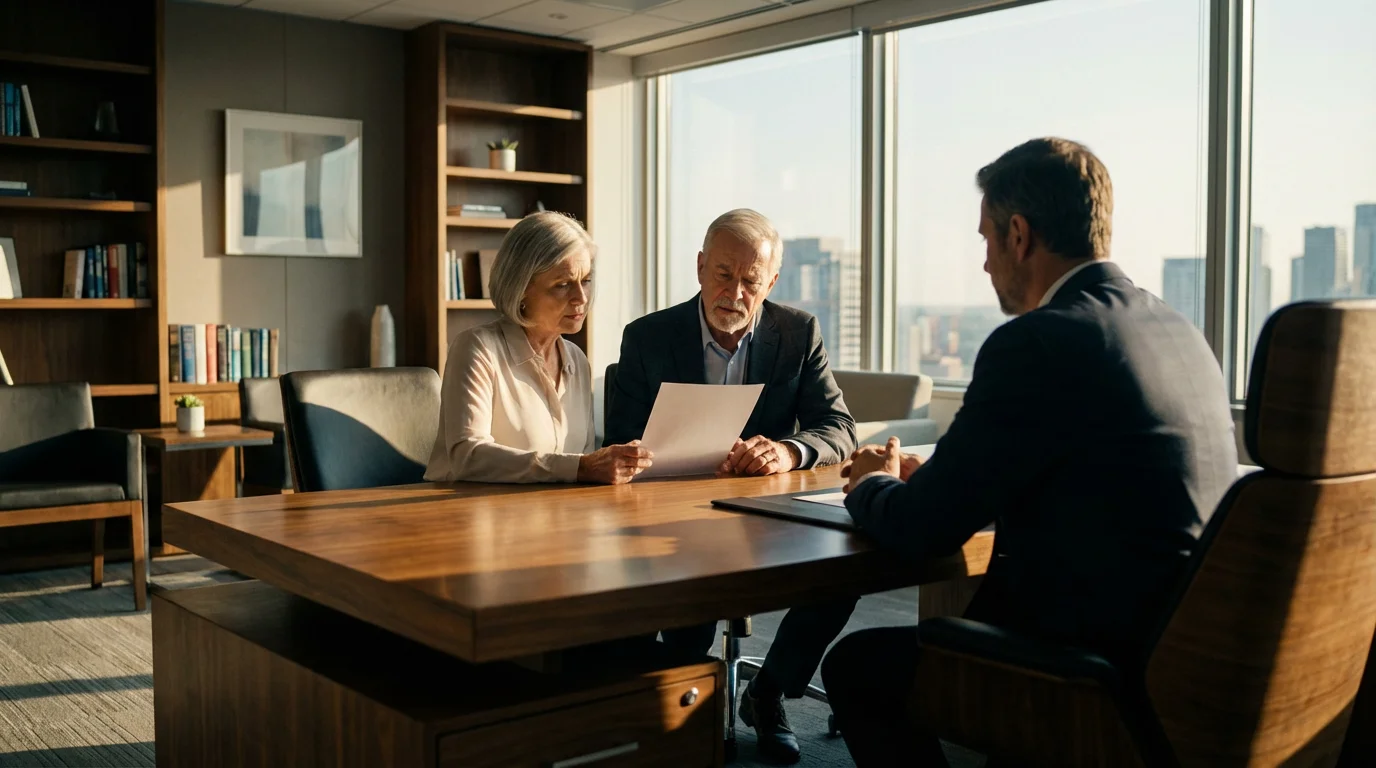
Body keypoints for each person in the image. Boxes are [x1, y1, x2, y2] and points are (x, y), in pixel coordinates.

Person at [820, 137, 1238, 766]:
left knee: (855, 665)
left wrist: (870, 483)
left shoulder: (1040, 341)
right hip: (1184, 656)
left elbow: (923, 529)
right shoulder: (1175, 330)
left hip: (1088, 673)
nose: (985, 264)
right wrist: (939, 474)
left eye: (986, 239)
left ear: (1019, 234)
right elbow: (1083, 470)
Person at [605, 208, 858, 764]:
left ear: (771, 281)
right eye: (723, 274)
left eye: (751, 280)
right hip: (674, 512)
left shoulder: (797, 333)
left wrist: (787, 450)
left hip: (766, 511)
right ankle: (681, 706)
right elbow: (617, 442)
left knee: (848, 565)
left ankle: (767, 692)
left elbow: (839, 427)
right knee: (688, 596)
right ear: (699, 267)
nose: (735, 292)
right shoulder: (647, 338)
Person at [425, 212, 653, 485]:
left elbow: (581, 460)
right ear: (520, 289)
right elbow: (468, 456)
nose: (581, 297)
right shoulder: (477, 349)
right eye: (563, 285)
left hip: (550, 517)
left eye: (587, 281)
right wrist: (580, 467)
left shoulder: (576, 360)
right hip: (471, 515)